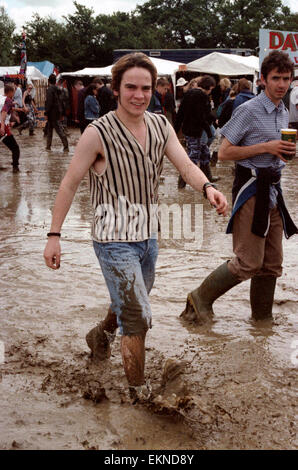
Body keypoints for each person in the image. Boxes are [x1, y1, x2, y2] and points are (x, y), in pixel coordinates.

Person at [43, 52, 228, 402]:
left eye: (145, 88)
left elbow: (185, 165)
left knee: (129, 302)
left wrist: (208, 188)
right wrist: (54, 236)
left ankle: (100, 335)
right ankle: (138, 394)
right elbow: (68, 183)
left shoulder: (159, 126)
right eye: (131, 87)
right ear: (116, 89)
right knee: (138, 315)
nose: (139, 95)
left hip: (148, 236)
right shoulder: (97, 133)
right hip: (112, 239)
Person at [181, 50, 297, 325]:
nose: (281, 84)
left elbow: (277, 151)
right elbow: (223, 153)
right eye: (276, 78)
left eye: (286, 78)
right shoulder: (248, 110)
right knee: (248, 262)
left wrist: (283, 152)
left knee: (271, 264)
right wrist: (266, 147)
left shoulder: (284, 110)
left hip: (274, 190)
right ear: (263, 80)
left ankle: (262, 322)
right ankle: (200, 298)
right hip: (250, 187)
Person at [174, 75, 219, 188]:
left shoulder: (189, 93)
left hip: (189, 130)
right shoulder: (201, 96)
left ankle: (207, 179)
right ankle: (182, 184)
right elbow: (201, 116)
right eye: (211, 89)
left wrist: (175, 129)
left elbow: (180, 113)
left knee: (204, 153)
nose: (210, 92)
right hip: (195, 131)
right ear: (209, 87)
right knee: (193, 157)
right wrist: (209, 131)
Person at [45, 73, 69, 151]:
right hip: (58, 112)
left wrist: (46, 112)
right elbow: (62, 101)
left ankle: (66, 146)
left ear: (49, 81)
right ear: (55, 81)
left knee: (57, 130)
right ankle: (48, 147)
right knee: (50, 129)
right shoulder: (59, 89)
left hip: (52, 113)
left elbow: (49, 102)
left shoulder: (50, 90)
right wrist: (62, 112)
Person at [0, 83, 20, 172]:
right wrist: (3, 126)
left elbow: (8, 108)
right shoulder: (7, 100)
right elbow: (4, 111)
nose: (14, 94)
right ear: (10, 92)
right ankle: (15, 167)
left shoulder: (1, 98)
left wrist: (19, 111)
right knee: (15, 148)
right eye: (14, 92)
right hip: (2, 126)